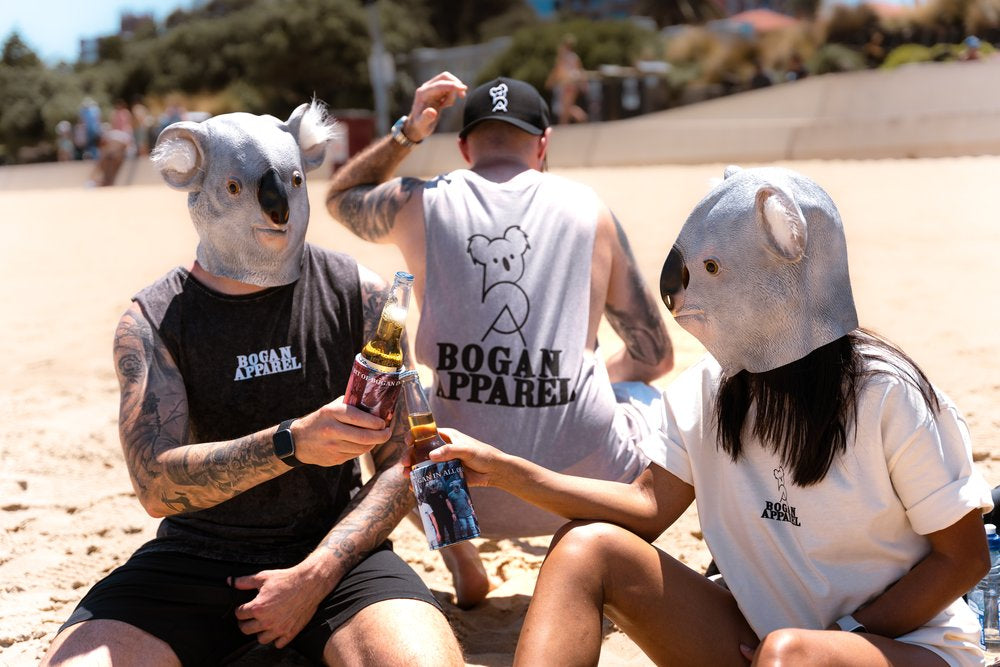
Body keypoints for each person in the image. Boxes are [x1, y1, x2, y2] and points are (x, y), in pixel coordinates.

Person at [422, 165, 993, 666]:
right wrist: (504, 470)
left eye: (714, 267)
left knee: (792, 655)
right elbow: (647, 508)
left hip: (896, 645)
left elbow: (962, 559)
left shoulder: (884, 393)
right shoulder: (710, 386)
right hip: (760, 641)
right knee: (585, 547)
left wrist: (840, 639)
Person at [42, 102, 463, 666]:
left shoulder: (358, 293)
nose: (278, 208)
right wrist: (292, 442)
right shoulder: (154, 319)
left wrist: (316, 573)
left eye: (292, 183)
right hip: (193, 560)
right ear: (199, 185)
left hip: (334, 555)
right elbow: (154, 485)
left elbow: (405, 460)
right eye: (239, 188)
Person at [326, 72, 674, 608]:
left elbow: (340, 196)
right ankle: (609, 543)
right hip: (584, 489)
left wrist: (407, 132)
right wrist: (580, 379)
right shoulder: (590, 209)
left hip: (455, 490)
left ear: (465, 147)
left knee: (389, 405)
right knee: (646, 397)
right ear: (543, 144)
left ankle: (461, 556)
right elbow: (655, 355)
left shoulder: (420, 201)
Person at [545, 34, 588, 125]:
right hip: (572, 84)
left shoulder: (563, 57)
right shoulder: (574, 57)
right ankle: (580, 118)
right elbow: (580, 71)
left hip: (566, 84)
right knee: (567, 106)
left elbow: (557, 71)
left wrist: (550, 82)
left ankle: (565, 124)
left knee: (565, 106)